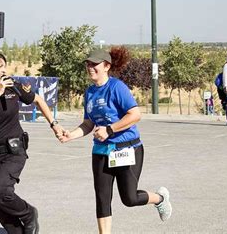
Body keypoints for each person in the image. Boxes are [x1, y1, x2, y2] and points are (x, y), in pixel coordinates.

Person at [59, 47, 172, 234]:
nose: (90, 67)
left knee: (129, 198)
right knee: (102, 198)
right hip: (101, 152)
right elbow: (88, 123)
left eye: (94, 64)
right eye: (88, 63)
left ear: (106, 66)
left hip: (127, 149)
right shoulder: (89, 93)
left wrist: (110, 129)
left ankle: (160, 198)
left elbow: (135, 115)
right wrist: (71, 135)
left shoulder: (116, 87)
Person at [0, 51, 63, 234]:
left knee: (0, 192)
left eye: (5, 66)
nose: (5, 71)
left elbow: (38, 100)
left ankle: (28, 213)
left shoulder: (13, 86)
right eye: (0, 67)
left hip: (13, 151)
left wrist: (54, 124)